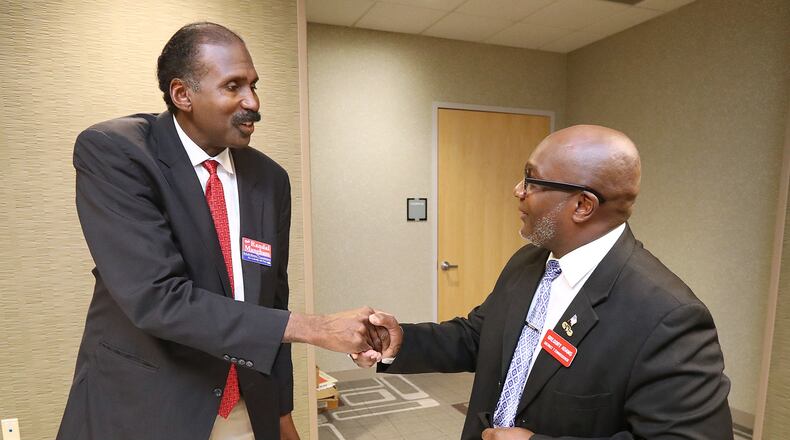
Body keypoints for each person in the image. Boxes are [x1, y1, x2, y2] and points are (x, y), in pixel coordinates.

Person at [57, 22, 387, 440]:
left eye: (253, 85)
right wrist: (317, 327)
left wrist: (282, 413)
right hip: (146, 408)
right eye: (233, 86)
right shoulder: (116, 153)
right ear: (183, 95)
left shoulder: (270, 179)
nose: (253, 102)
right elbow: (158, 298)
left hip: (245, 411)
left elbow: (273, 299)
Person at [354, 125, 733, 439]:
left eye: (531, 180)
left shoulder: (668, 316)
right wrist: (401, 340)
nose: (517, 191)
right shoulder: (530, 261)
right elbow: (479, 336)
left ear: (582, 205)